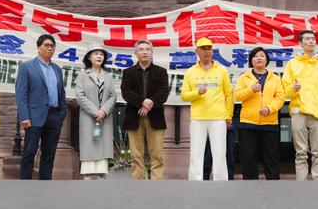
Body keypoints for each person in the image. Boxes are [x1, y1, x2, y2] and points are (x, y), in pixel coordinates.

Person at [281, 29, 318, 180]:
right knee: (300, 153)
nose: (311, 41)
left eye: (313, 39)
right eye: (307, 39)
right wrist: (293, 88)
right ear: (300, 43)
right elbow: (285, 91)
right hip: (299, 113)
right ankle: (301, 184)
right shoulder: (292, 64)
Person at [180, 37, 233, 181]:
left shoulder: (222, 71)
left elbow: (229, 94)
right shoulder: (190, 72)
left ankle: (221, 182)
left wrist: (228, 116)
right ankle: (195, 181)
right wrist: (197, 93)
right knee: (196, 153)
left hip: (218, 117)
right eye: (203, 49)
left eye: (209, 48)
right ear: (196, 51)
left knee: (220, 153)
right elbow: (184, 95)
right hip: (198, 118)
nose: (206, 51)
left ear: (212, 51)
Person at [15, 34, 66, 180]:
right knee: (29, 152)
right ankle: (25, 184)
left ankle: (45, 184)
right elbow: (21, 93)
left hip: (54, 117)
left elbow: (62, 93)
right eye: (46, 45)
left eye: (52, 46)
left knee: (49, 153)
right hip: (33, 117)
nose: (50, 48)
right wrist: (24, 116)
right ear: (38, 48)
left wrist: (61, 115)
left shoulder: (57, 69)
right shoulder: (26, 67)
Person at [120, 39, 170, 180]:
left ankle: (157, 185)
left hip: (156, 117)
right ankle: (138, 185)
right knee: (136, 156)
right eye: (141, 49)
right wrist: (142, 101)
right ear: (136, 53)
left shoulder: (161, 72)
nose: (144, 52)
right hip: (134, 117)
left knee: (157, 155)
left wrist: (150, 103)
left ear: (152, 52)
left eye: (148, 49)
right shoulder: (128, 72)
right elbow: (126, 92)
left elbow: (163, 93)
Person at [233, 46, 284, 180]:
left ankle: (273, 183)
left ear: (267, 60)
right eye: (255, 56)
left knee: (271, 156)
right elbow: (237, 96)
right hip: (248, 123)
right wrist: (251, 90)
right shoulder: (244, 77)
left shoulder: (275, 78)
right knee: (248, 157)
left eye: (262, 56)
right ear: (251, 60)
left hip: (270, 122)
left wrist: (270, 109)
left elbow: (280, 98)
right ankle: (250, 184)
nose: (259, 58)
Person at [77, 48, 117, 180]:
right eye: (96, 54)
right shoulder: (82, 75)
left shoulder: (108, 76)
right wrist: (96, 112)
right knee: (89, 148)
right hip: (88, 118)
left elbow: (113, 96)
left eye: (101, 54)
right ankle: (88, 178)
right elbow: (80, 96)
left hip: (105, 118)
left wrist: (104, 111)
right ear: (89, 57)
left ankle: (101, 178)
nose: (99, 56)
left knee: (102, 151)